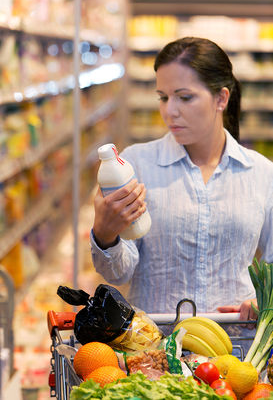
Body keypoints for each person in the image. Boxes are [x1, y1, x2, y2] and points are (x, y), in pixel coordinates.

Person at [90, 37, 273, 332]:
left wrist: (264, 303)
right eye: (163, 97)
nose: (169, 111)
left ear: (221, 99)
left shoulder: (262, 174)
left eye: (184, 97)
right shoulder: (136, 165)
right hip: (153, 347)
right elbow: (118, 272)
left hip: (234, 348)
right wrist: (105, 234)